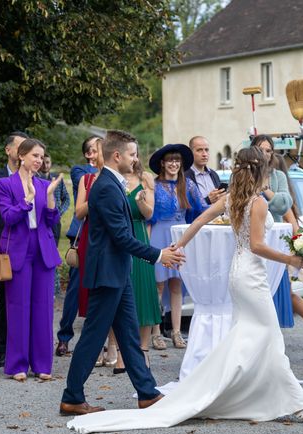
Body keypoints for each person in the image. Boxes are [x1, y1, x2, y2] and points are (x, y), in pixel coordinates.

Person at [67, 146, 303, 434]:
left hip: (238, 274)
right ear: (261, 170)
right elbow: (257, 245)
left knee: (248, 335)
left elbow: (197, 221)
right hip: (251, 276)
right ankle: (293, 402)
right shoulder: (257, 202)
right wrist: (292, 259)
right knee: (269, 335)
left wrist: (177, 246)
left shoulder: (233, 198)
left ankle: (245, 391)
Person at [59, 129, 185, 417]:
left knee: (129, 335)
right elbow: (120, 237)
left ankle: (147, 393)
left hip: (118, 272)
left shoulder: (114, 183)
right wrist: (158, 255)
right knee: (93, 337)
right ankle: (72, 396)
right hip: (107, 273)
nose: (136, 159)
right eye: (132, 154)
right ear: (117, 156)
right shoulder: (105, 187)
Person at [0, 139, 63, 381]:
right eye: (35, 155)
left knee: (44, 308)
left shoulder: (45, 184)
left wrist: (51, 200)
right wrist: (27, 200)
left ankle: (42, 364)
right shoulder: (4, 184)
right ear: (21, 156)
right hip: (18, 250)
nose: (39, 160)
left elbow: (51, 221)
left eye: (42, 156)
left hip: (43, 249)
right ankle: (17, 365)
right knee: (18, 308)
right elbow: (8, 217)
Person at [148, 143, 206, 349]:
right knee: (158, 285)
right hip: (158, 234)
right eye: (170, 160)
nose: (174, 163)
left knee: (176, 285)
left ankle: (176, 332)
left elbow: (201, 209)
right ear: (162, 163)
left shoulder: (188, 185)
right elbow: (147, 215)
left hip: (180, 236)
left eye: (177, 160)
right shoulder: (153, 185)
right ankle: (155, 332)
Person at [74, 139, 119, 368]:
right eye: (93, 150)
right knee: (92, 295)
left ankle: (113, 346)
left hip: (111, 238)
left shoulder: (117, 178)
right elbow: (79, 212)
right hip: (90, 239)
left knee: (112, 292)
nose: (95, 153)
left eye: (98, 150)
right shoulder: (87, 179)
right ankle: (97, 347)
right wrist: (97, 200)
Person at [55, 136, 100, 357]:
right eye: (94, 148)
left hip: (103, 236)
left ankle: (96, 341)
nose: (98, 151)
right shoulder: (79, 171)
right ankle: (64, 338)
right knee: (74, 290)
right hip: (81, 234)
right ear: (88, 154)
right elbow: (92, 188)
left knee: (99, 288)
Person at [250, 135, 298, 334]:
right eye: (261, 149)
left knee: (276, 287)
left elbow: (283, 205)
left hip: (273, 240)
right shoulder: (243, 175)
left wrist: (267, 192)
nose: (265, 154)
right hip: (250, 239)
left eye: (268, 150)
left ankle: (273, 336)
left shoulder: (277, 176)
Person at [0, 131, 28, 368]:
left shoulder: (35, 176)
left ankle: (25, 348)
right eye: (21, 147)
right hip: (5, 245)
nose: (25, 152)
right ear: (8, 150)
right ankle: (4, 349)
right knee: (5, 300)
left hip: (30, 245)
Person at [124, 150, 162, 368]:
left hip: (139, 234)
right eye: (130, 153)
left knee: (145, 290)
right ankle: (120, 349)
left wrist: (139, 201)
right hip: (119, 235)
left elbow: (149, 213)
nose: (134, 158)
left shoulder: (145, 178)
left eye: (135, 153)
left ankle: (144, 349)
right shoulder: (115, 178)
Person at [38, 152, 70, 246]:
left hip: (55, 221)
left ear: (51, 163)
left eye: (47, 162)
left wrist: (59, 213)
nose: (45, 165)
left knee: (54, 248)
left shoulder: (57, 179)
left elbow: (66, 198)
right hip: (40, 220)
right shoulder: (34, 179)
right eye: (43, 162)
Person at [184, 136, 224, 206]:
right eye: (199, 150)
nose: (204, 154)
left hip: (218, 216)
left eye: (206, 150)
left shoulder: (214, 174)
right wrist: (207, 200)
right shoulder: (184, 176)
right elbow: (183, 206)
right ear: (190, 153)